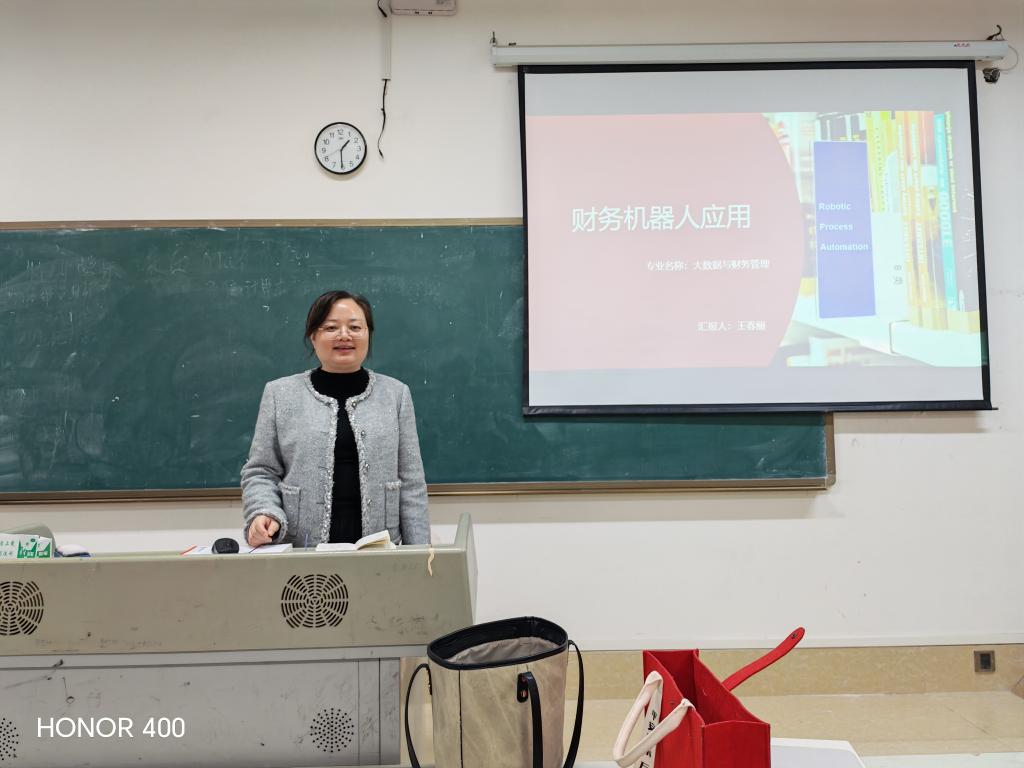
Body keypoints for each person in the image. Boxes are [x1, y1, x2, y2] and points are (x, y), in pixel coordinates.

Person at [241, 290, 430, 548]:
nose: (344, 335)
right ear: (313, 336)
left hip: (381, 550)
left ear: (368, 334)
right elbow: (261, 471)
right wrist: (263, 511)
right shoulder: (280, 394)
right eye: (331, 327)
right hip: (302, 550)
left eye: (355, 327)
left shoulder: (396, 394)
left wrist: (421, 554)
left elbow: (411, 484)